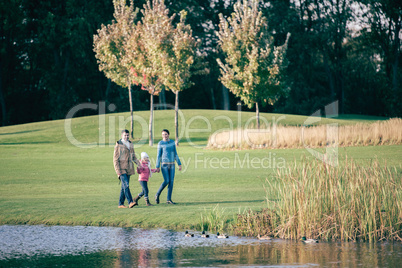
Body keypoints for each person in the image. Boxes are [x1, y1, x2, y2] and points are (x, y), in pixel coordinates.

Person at [113, 129, 140, 208]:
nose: (126, 137)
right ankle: (130, 202)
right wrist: (117, 171)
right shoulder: (118, 144)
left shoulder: (130, 143)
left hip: (129, 168)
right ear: (122, 135)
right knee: (126, 185)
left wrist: (139, 164)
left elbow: (133, 155)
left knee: (123, 187)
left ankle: (120, 204)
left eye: (127, 135)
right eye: (125, 135)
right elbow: (115, 159)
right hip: (121, 168)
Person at [154, 129, 182, 204]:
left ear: (168, 135)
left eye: (166, 134)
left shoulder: (172, 142)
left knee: (171, 182)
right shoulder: (160, 143)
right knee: (166, 181)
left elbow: (175, 153)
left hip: (172, 164)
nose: (164, 136)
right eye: (163, 134)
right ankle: (157, 194)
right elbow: (158, 155)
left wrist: (179, 163)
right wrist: (157, 166)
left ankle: (168, 200)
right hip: (164, 164)